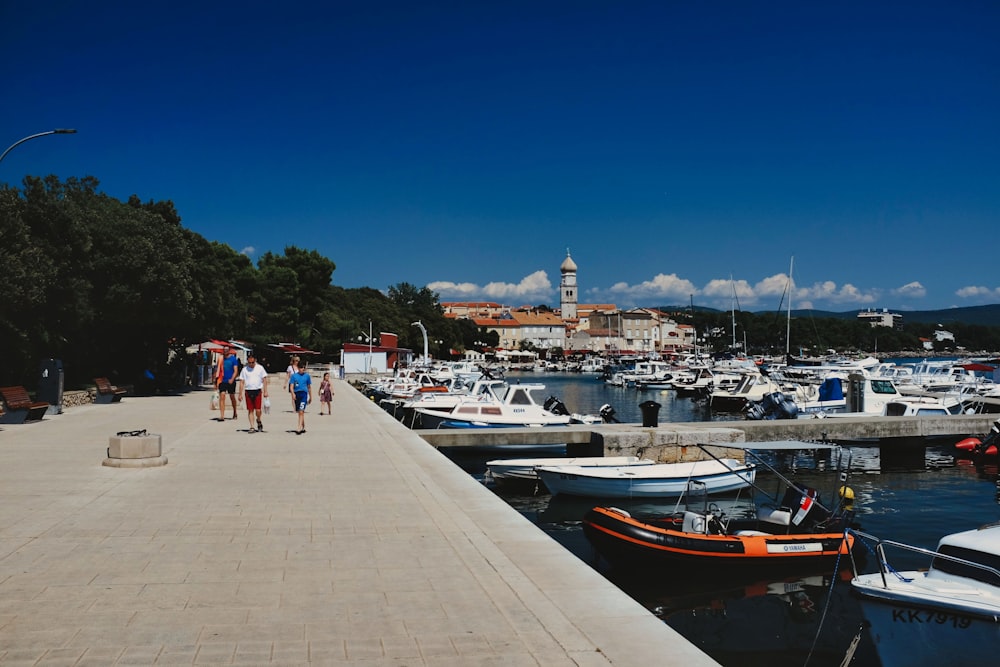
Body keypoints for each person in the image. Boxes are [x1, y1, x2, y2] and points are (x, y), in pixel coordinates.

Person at [238, 351, 269, 433]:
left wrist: (265, 391)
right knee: (250, 410)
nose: (251, 364)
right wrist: (240, 394)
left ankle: (258, 420)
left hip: (258, 390)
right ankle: (252, 426)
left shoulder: (260, 368)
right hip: (248, 391)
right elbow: (241, 382)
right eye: (249, 362)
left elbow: (265, 379)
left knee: (258, 410)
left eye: (252, 362)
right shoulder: (244, 370)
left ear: (255, 360)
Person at [215, 346, 241, 421]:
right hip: (222, 380)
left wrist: (232, 379)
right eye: (224, 350)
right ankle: (222, 415)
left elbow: (236, 371)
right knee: (222, 396)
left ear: (229, 350)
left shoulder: (233, 359)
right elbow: (218, 369)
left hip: (231, 380)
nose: (225, 351)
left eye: (226, 350)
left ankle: (235, 411)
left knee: (232, 396)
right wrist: (215, 380)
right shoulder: (220, 358)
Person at [288, 360, 312, 434]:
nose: (302, 369)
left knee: (301, 411)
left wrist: (311, 397)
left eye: (303, 368)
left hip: (304, 394)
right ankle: (303, 425)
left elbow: (309, 387)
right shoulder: (294, 376)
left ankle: (299, 428)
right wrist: (293, 394)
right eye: (301, 368)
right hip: (296, 394)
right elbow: (291, 386)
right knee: (300, 411)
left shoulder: (307, 376)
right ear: (298, 368)